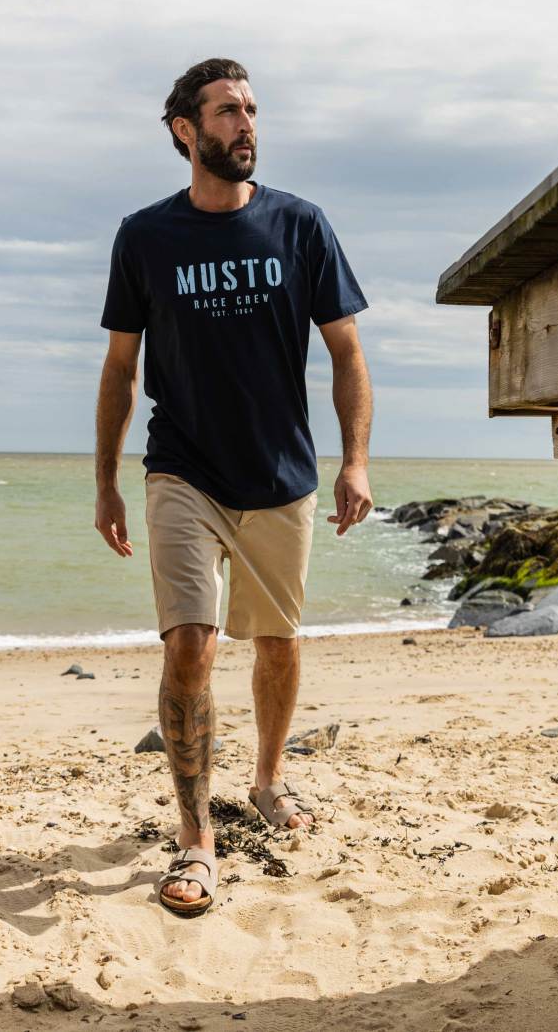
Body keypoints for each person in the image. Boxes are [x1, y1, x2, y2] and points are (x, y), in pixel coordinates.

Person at [94, 58, 373, 917]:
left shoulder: (301, 226)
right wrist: (105, 479)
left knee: (278, 645)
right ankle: (194, 839)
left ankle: (266, 778)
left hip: (280, 475)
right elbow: (119, 366)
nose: (245, 124)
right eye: (226, 111)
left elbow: (347, 353)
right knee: (190, 646)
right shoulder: (146, 237)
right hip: (181, 468)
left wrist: (354, 460)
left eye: (251, 109)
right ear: (185, 129)